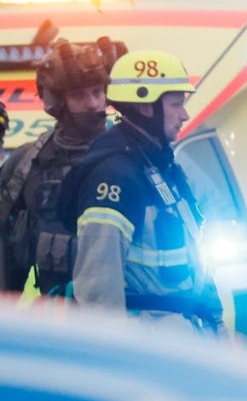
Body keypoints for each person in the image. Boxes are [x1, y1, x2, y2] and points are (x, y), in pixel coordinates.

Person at [59, 50, 221, 330]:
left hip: (184, 336)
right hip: (149, 345)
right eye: (175, 105)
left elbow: (195, 258)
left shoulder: (161, 166)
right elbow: (98, 291)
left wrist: (217, 327)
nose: (184, 115)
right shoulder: (114, 178)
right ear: (146, 108)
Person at [0, 38, 122, 297]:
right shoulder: (26, 164)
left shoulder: (131, 156)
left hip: (123, 318)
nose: (93, 104)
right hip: (57, 321)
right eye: (80, 95)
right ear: (56, 102)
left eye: (98, 92)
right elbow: (5, 253)